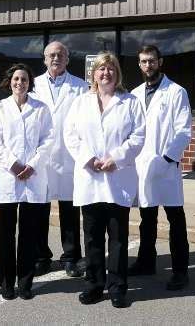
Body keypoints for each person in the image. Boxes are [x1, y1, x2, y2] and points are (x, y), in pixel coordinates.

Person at [64, 52, 145, 308]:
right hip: (90, 177)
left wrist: (116, 158)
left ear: (117, 73)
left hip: (117, 177)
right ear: (94, 74)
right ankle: (94, 285)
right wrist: (88, 158)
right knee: (92, 237)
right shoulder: (80, 102)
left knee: (118, 237)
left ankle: (118, 287)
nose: (105, 73)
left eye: (110, 69)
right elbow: (70, 135)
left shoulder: (130, 102)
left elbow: (138, 136)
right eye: (101, 69)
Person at [0, 63, 54, 301]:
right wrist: (13, 164)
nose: (20, 83)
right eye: (16, 79)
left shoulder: (41, 108)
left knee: (28, 235)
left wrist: (32, 165)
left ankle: (25, 283)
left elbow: (48, 140)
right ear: (10, 81)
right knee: (6, 234)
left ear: (30, 83)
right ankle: (6, 283)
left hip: (33, 177)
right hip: (8, 177)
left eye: (24, 79)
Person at [130, 45, 192, 291]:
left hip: (166, 167)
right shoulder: (134, 94)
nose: (148, 66)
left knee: (176, 220)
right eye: (144, 62)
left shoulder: (176, 92)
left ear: (160, 62)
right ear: (139, 64)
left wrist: (166, 159)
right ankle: (146, 262)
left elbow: (183, 131)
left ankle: (180, 271)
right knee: (147, 218)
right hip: (142, 167)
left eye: (152, 61)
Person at [33, 41, 88, 277]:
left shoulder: (81, 86)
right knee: (39, 210)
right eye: (51, 55)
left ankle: (71, 257)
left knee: (69, 210)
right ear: (44, 59)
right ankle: (41, 256)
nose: (56, 58)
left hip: (69, 156)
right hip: (41, 157)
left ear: (68, 59)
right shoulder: (32, 84)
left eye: (61, 55)